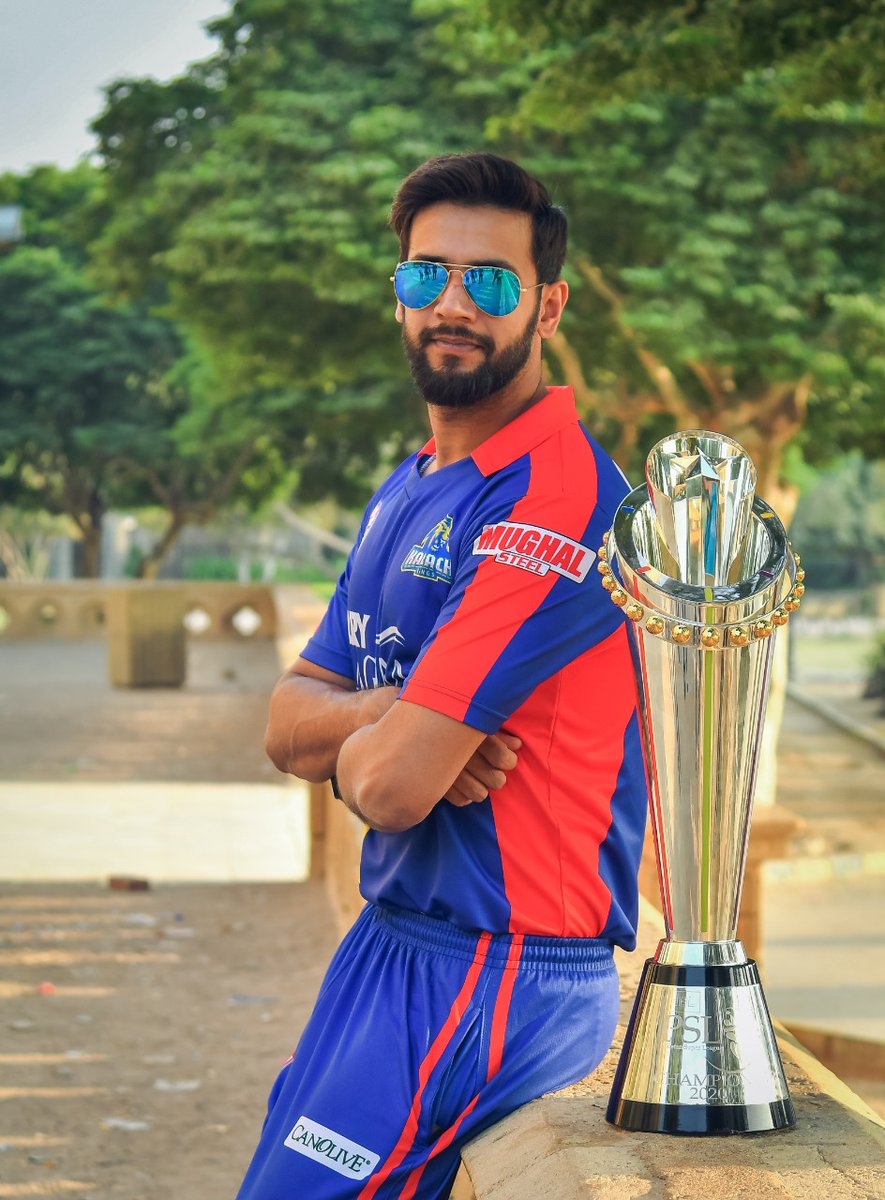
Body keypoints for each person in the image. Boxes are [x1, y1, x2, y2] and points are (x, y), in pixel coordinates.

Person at [237, 152, 647, 1200]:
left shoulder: (556, 501)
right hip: (389, 945)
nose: (453, 304)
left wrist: (373, 742)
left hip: (501, 970)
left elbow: (387, 790)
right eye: (427, 276)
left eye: (491, 282)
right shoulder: (410, 485)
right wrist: (391, 709)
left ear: (548, 305)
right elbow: (285, 723)